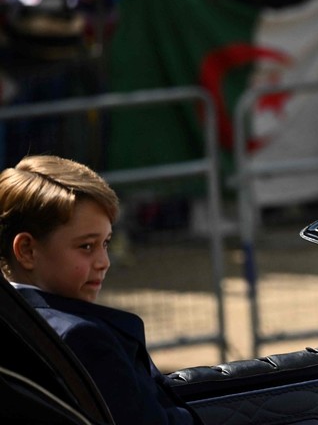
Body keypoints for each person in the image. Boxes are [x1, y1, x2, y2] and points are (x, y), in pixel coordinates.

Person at [0, 155, 201, 425]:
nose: (103, 262)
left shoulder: (12, 320)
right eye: (86, 246)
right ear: (27, 250)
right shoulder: (82, 338)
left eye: (105, 243)